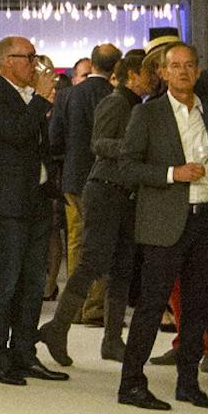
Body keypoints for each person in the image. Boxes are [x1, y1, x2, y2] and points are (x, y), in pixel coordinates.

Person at [108, 42, 208, 410]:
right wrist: (171, 174)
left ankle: (188, 383)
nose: (183, 72)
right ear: (162, 72)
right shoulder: (148, 114)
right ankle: (131, 383)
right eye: (175, 66)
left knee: (198, 305)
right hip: (165, 221)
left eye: (190, 65)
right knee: (152, 305)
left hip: (206, 218)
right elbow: (127, 167)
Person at [43, 48, 150, 365]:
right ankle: (59, 328)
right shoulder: (116, 102)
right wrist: (137, 148)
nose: (154, 78)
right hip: (105, 191)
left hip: (123, 192)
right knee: (91, 262)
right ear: (133, 75)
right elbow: (99, 143)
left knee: (121, 267)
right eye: (150, 73)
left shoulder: (131, 104)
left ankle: (111, 339)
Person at [0, 36, 64, 385]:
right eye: (27, 57)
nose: (35, 63)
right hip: (8, 203)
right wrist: (42, 100)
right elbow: (16, 133)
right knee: (7, 279)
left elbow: (45, 142)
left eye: (35, 56)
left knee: (34, 283)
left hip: (37, 199)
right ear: (5, 63)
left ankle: (25, 351)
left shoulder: (32, 97)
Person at [46, 42, 120, 361]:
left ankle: (72, 310)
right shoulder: (114, 98)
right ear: (115, 68)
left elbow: (54, 138)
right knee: (100, 244)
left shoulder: (67, 95)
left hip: (73, 178)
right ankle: (91, 307)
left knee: (76, 241)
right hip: (103, 180)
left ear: (91, 62)